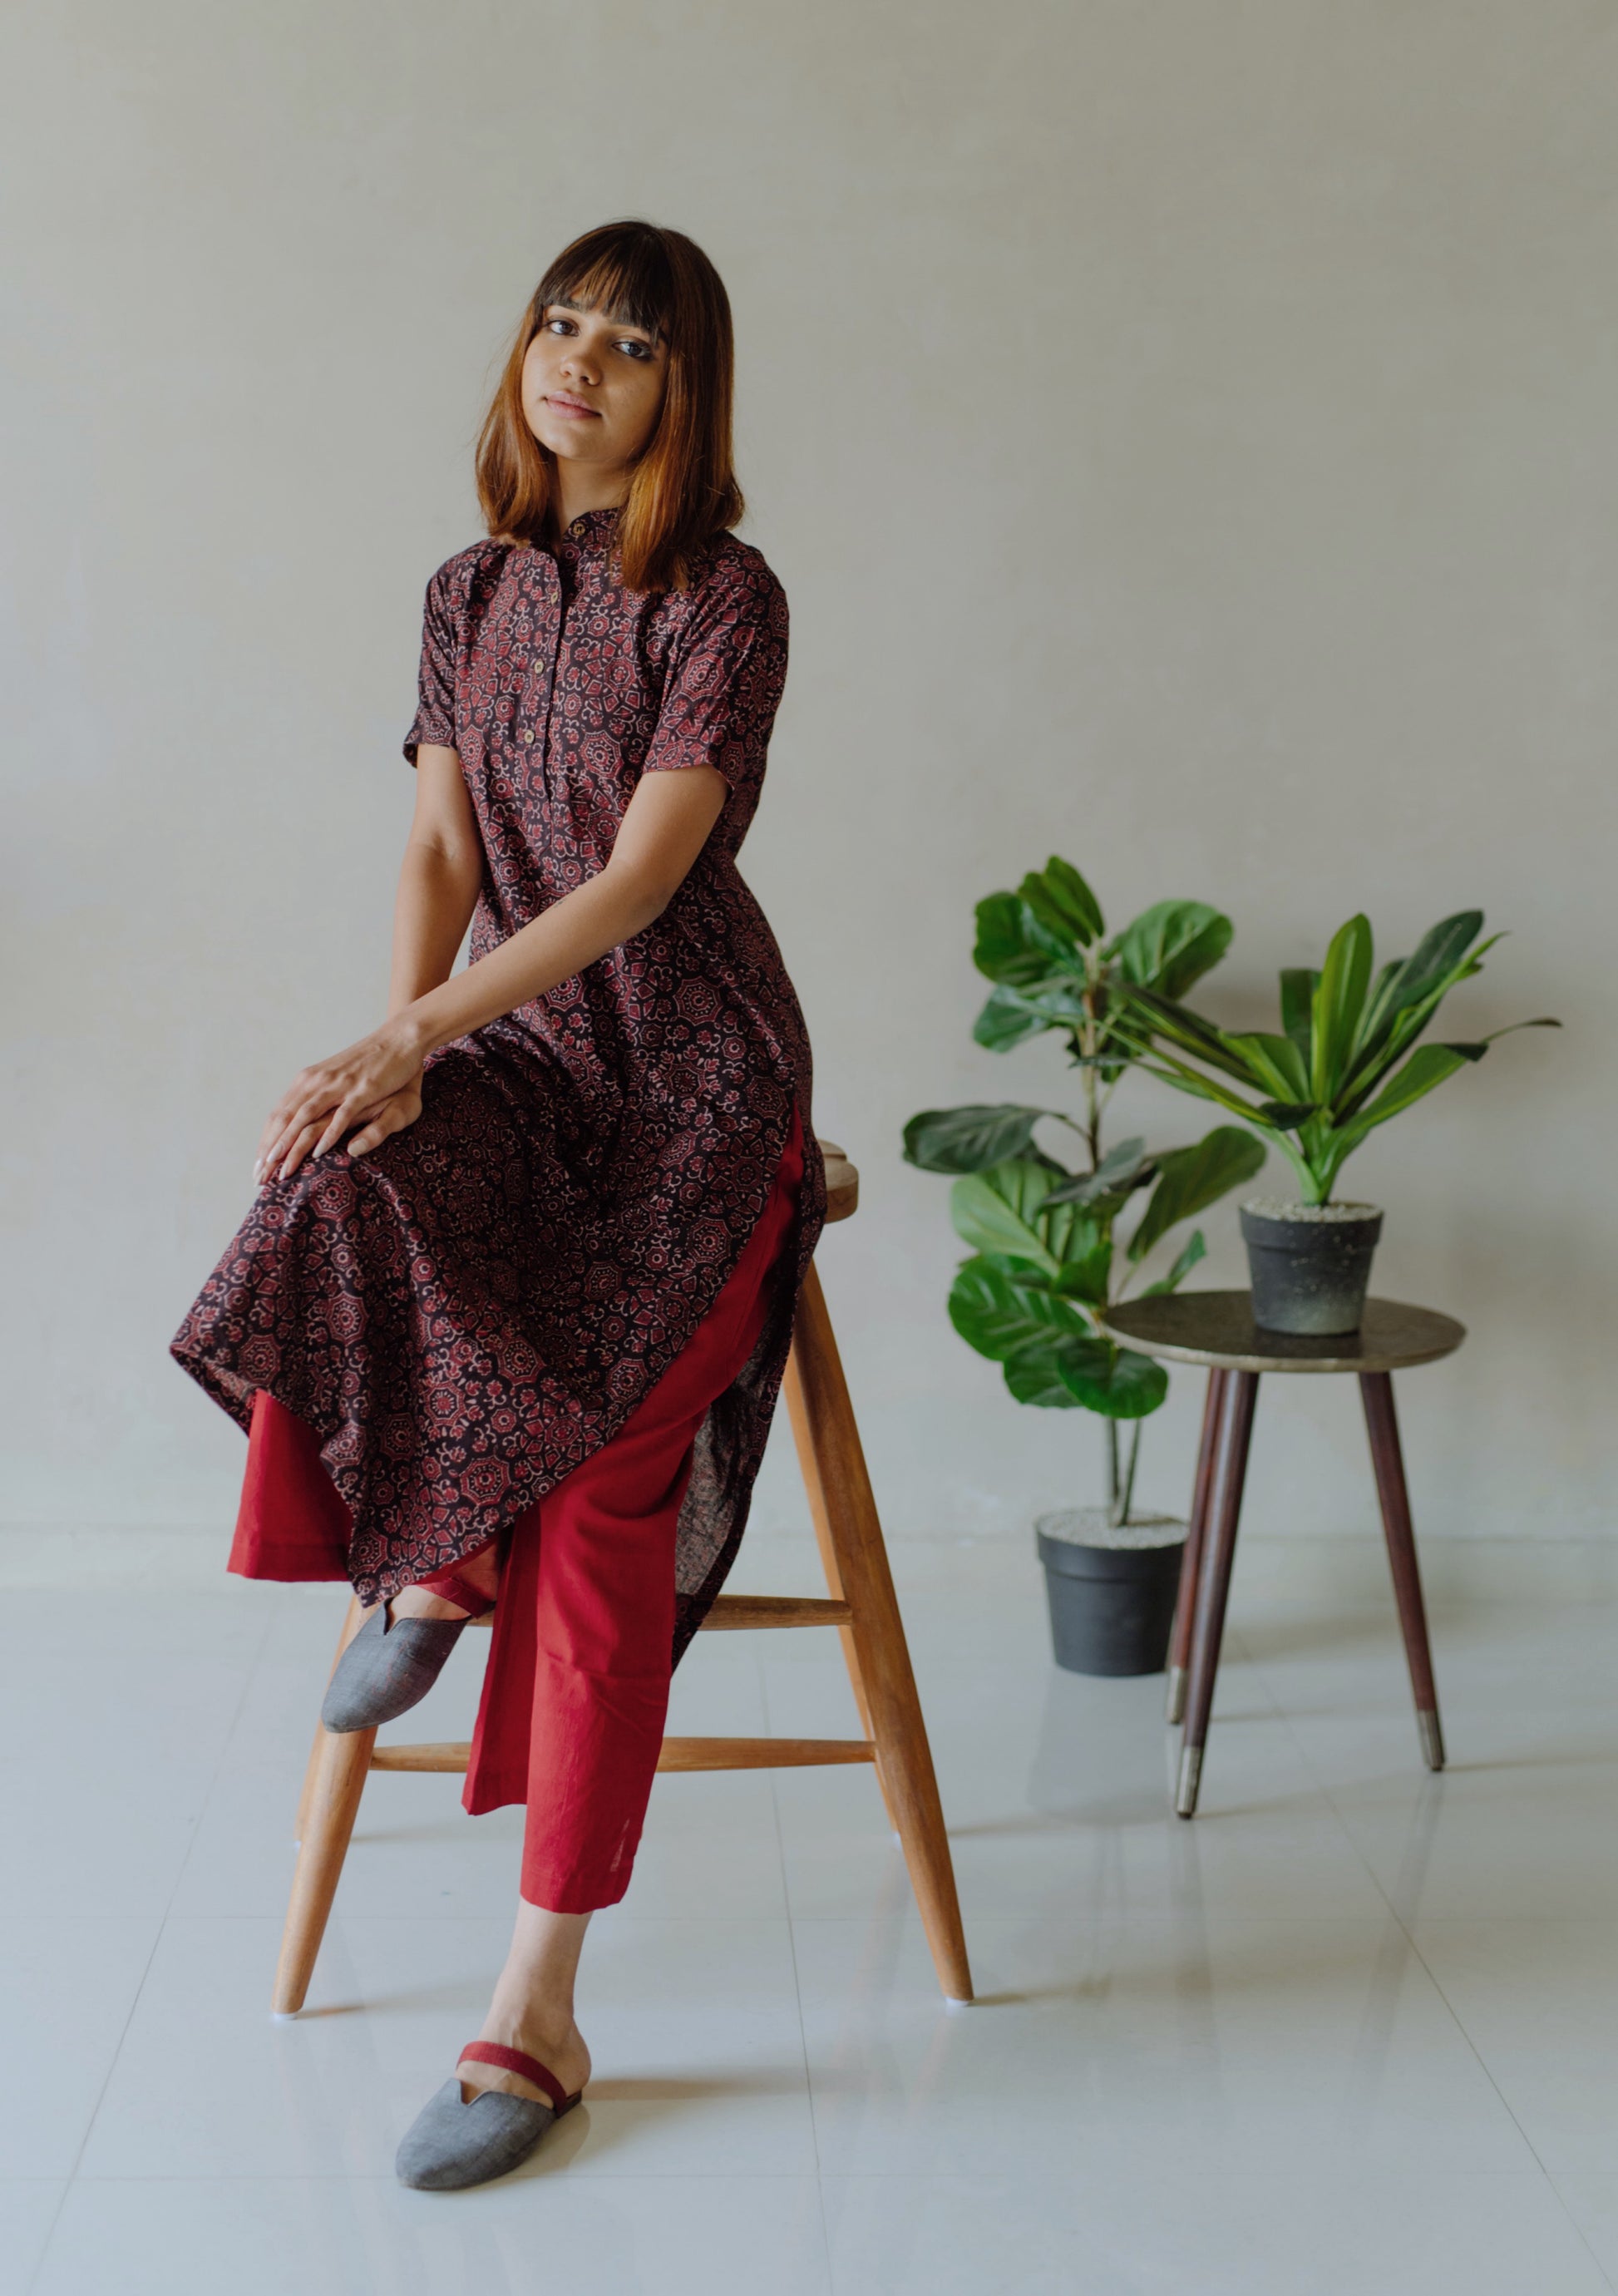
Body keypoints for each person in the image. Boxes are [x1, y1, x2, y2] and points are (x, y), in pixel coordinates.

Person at [171, 218, 822, 2190]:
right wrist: (402, 1044)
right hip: (523, 1061)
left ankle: (535, 1999)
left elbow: (633, 880)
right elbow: (446, 836)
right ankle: (426, 1552)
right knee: (327, 1176)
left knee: (612, 1467)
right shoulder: (464, 590)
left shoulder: (725, 598)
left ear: (683, 393)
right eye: (559, 324)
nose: (581, 364)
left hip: (696, 1087)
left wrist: (429, 1025)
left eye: (630, 344)